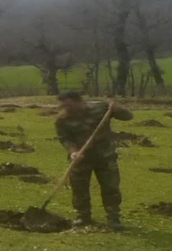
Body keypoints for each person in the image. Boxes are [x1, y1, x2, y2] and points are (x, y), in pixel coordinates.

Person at [55, 91, 133, 230]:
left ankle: (113, 218)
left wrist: (117, 108)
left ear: (79, 101)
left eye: (69, 105)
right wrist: (73, 152)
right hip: (80, 159)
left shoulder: (101, 108)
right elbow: (64, 138)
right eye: (64, 106)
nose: (66, 109)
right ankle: (83, 216)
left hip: (105, 156)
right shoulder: (62, 120)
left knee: (111, 188)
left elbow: (128, 116)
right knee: (79, 189)